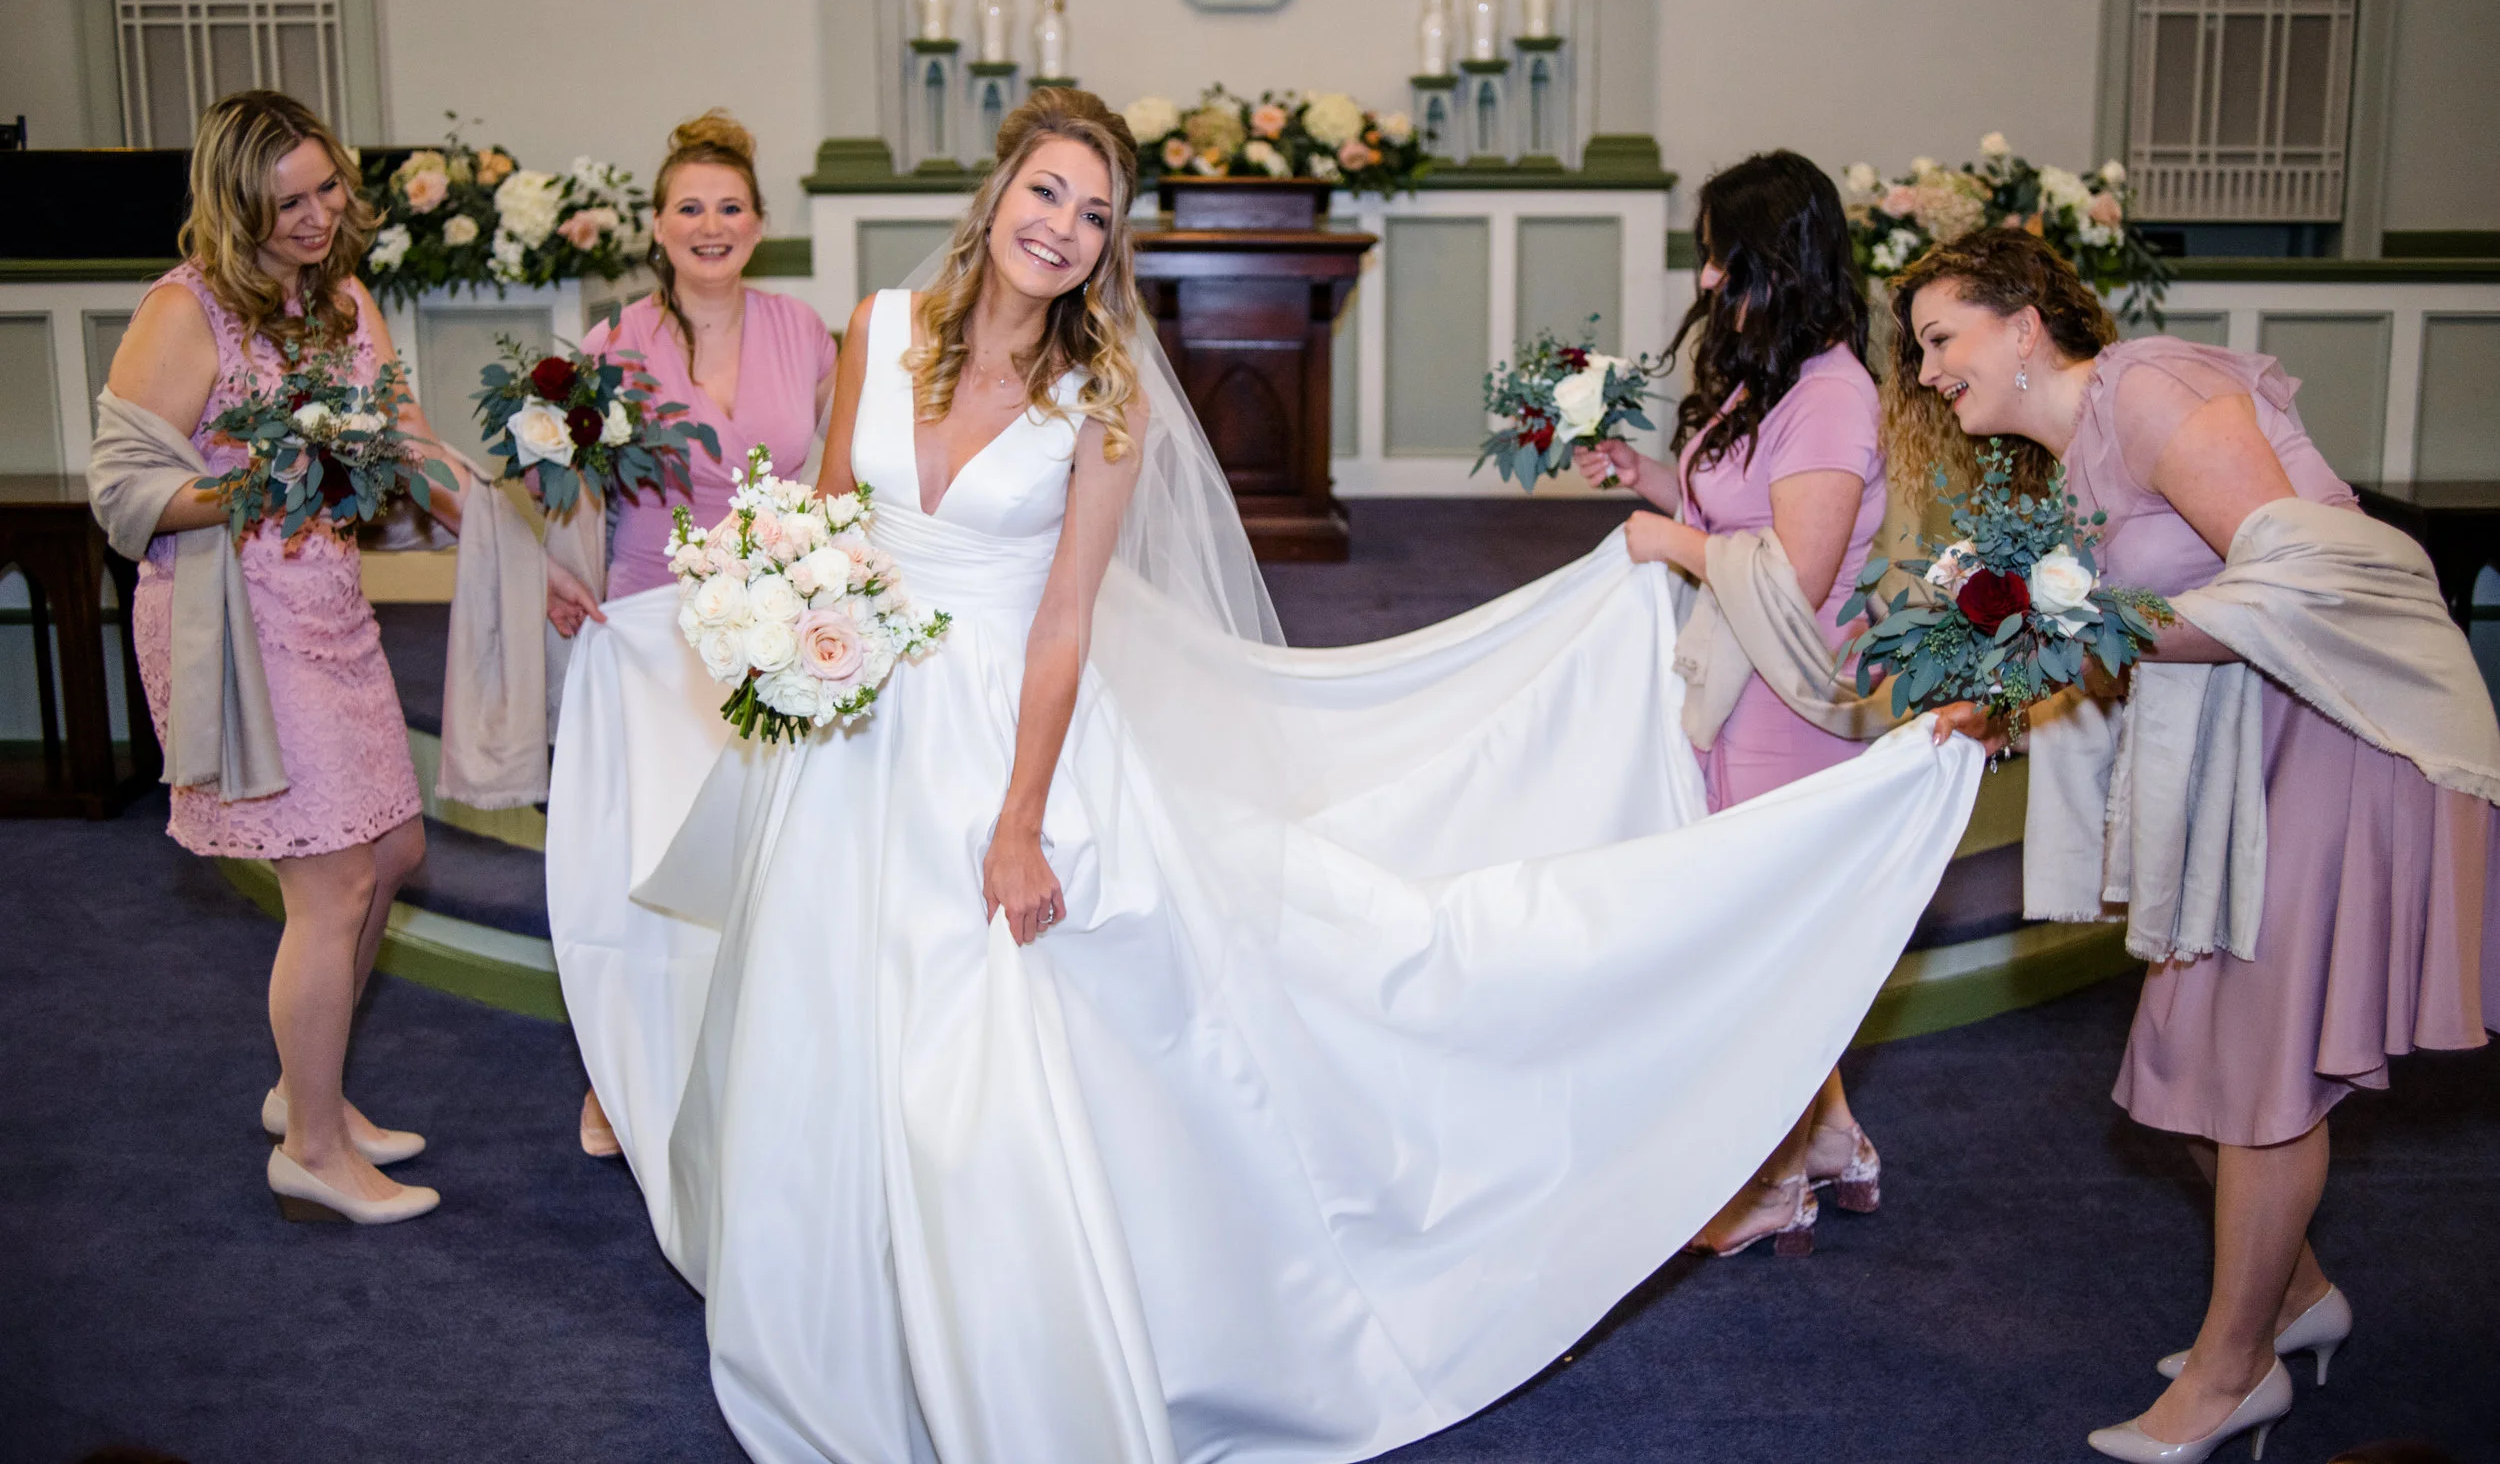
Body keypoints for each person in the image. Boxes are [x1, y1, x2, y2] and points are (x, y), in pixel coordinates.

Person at [570, 86, 1986, 1462]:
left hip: (1002, 735)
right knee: (828, 1008)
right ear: (997, 194)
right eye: (1045, 190)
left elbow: (1064, 620)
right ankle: (836, 1300)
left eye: (1094, 213)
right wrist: (785, 637)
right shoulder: (877, 329)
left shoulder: (1101, 397)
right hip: (851, 723)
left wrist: (1020, 819)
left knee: (982, 1048)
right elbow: (826, 519)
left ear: (1109, 246)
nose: (1061, 225)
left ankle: (984, 1339)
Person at [1903, 228, 2499, 1462]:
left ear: (2023, 325)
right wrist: (2004, 693)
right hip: (2248, 748)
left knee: (2254, 1069)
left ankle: (2234, 1375)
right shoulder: (2066, 463)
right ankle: (2294, 1297)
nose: (1925, 372)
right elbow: (2122, 628)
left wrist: (2064, 631)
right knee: (2186, 1065)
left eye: (1939, 337)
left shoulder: (2149, 388)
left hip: (2336, 731)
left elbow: (2289, 590)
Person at [95, 90, 589, 1225]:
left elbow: (409, 450)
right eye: (287, 204)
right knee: (333, 881)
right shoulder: (183, 313)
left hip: (328, 603)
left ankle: (301, 1087)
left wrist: (523, 563)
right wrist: (265, 478)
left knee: (396, 849)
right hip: (236, 617)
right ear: (234, 206)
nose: (317, 217)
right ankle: (312, 1149)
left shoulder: (343, 298)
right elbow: (121, 495)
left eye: (326, 190)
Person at [1574, 149, 1889, 1257]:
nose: (1707, 281)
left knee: (1767, 948)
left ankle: (1772, 1180)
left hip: (1790, 705)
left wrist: (1669, 544)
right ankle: (1835, 1140)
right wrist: (1649, 480)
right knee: (1771, 932)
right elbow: (1733, 512)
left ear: (1783, 260)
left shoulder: (1832, 396)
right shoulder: (1773, 373)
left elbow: (1794, 574)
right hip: (1736, 683)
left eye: (1724, 259)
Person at [548, 110, 838, 1160]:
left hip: (764, 627)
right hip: (649, 627)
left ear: (757, 225)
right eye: (689, 208)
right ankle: (617, 1072)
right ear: (658, 227)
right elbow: (565, 478)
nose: (710, 224)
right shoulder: (610, 344)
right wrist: (559, 566)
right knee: (646, 860)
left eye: (729, 207)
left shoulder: (806, 332)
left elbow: (837, 469)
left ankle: (748, 1063)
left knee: (757, 858)